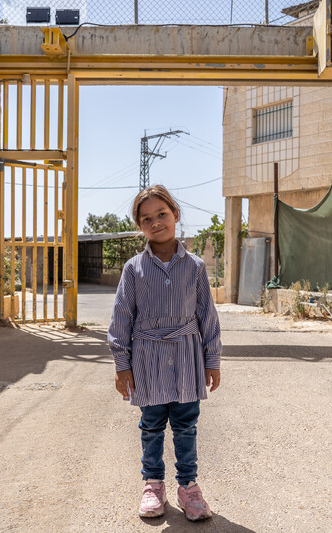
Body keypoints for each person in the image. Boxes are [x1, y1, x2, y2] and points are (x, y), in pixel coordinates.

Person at [108, 185, 222, 521]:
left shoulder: (196, 267)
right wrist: (121, 364)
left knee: (186, 426)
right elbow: (121, 317)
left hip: (187, 358)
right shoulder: (133, 269)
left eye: (162, 214)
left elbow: (207, 315)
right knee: (152, 424)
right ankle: (153, 485)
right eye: (147, 218)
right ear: (139, 226)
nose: (156, 222)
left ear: (175, 214)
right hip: (147, 360)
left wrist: (212, 359)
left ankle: (188, 487)